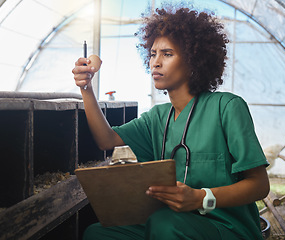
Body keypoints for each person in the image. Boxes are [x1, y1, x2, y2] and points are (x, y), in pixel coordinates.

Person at [72, 5, 270, 240]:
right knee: (98, 234)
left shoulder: (227, 107)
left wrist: (200, 197)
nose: (155, 62)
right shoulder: (157, 117)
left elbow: (260, 185)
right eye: (153, 53)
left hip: (226, 228)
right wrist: (86, 88)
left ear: (194, 61)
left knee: (165, 224)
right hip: (170, 223)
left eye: (167, 54)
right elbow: (105, 140)